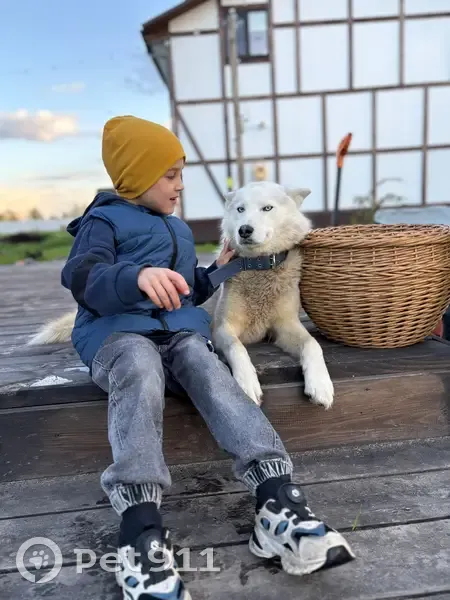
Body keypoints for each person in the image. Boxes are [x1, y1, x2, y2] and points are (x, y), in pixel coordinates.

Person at [61, 115, 354, 599]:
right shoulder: (102, 222)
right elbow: (81, 274)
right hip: (118, 336)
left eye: (181, 174)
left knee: (208, 367)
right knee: (139, 367)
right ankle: (139, 528)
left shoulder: (177, 228)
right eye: (170, 175)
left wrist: (214, 272)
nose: (180, 185)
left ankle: (276, 500)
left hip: (177, 334)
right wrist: (133, 277)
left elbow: (185, 290)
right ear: (136, 176)